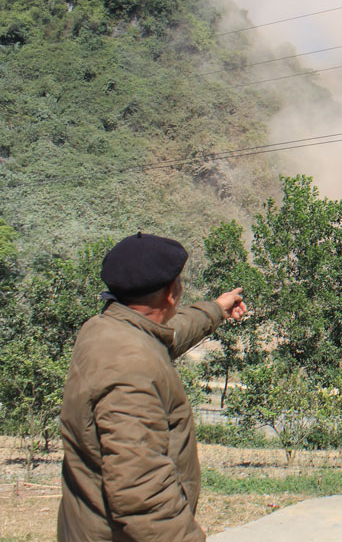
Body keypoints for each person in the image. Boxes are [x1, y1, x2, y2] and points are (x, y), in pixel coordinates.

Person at [57, 232, 246, 541]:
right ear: (171, 293)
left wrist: (216, 309)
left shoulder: (108, 330)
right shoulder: (131, 369)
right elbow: (141, 491)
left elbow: (166, 332)